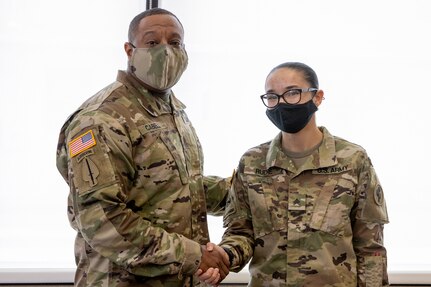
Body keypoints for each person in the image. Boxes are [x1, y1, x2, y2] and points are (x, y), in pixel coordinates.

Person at [56, 8, 230, 287]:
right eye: (152, 42)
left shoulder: (171, 111)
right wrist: (193, 255)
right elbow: (101, 221)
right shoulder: (101, 118)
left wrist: (243, 188)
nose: (166, 51)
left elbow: (173, 188)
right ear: (129, 49)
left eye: (175, 43)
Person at [201, 62, 389, 286]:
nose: (281, 103)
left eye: (292, 93)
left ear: (317, 97)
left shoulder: (352, 160)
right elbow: (242, 232)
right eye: (272, 96)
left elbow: (370, 248)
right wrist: (225, 255)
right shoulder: (252, 163)